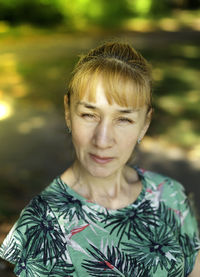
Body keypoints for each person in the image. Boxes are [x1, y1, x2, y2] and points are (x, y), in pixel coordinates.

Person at [0, 42, 199, 277]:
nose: (103, 140)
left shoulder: (170, 195)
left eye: (123, 119)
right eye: (89, 115)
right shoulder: (42, 224)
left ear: (144, 124)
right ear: (67, 112)